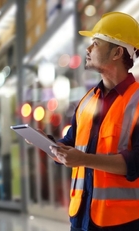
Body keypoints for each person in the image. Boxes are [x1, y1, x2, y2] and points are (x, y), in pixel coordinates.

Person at [45, 12, 139, 231]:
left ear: (117, 52)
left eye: (95, 43)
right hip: (82, 219)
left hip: (122, 223)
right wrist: (51, 146)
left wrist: (83, 159)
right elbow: (71, 143)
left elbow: (135, 162)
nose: (88, 50)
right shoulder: (87, 101)